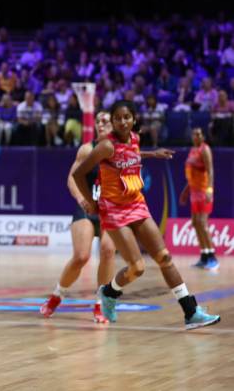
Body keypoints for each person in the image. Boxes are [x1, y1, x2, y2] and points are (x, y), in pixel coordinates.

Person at [72, 100, 220, 329]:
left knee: (165, 258)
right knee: (137, 267)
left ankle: (191, 312)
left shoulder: (134, 138)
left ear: (133, 119)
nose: (122, 122)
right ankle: (109, 293)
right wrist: (90, 203)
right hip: (114, 211)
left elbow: (131, 154)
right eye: (118, 118)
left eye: (126, 117)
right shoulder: (105, 146)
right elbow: (79, 174)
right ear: (113, 122)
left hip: (137, 204)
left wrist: (153, 154)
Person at [41, 111, 175, 322]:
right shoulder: (87, 149)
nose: (100, 124)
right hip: (89, 207)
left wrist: (152, 154)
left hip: (111, 209)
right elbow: (72, 178)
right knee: (81, 257)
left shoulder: (122, 146)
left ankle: (99, 304)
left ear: (113, 125)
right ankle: (57, 296)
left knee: (108, 251)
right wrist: (82, 200)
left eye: (105, 121)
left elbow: (134, 155)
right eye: (98, 121)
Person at [180, 128, 219, 270]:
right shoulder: (192, 150)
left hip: (203, 191)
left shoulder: (205, 149)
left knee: (202, 222)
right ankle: (204, 256)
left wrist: (210, 189)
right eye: (194, 134)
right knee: (196, 223)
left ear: (203, 136)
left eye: (199, 134)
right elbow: (191, 174)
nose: (196, 136)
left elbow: (210, 171)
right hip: (193, 192)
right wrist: (185, 191)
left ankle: (213, 257)